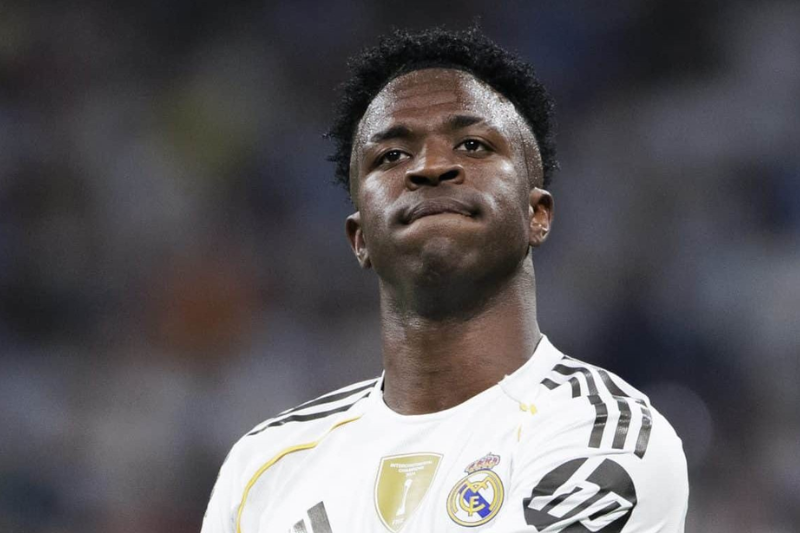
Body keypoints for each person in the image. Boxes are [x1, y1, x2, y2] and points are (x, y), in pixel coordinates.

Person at [201, 27, 688, 533]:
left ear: (537, 215)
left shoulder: (603, 433)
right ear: (359, 238)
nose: (431, 167)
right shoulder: (265, 466)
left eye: (473, 145)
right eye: (392, 156)